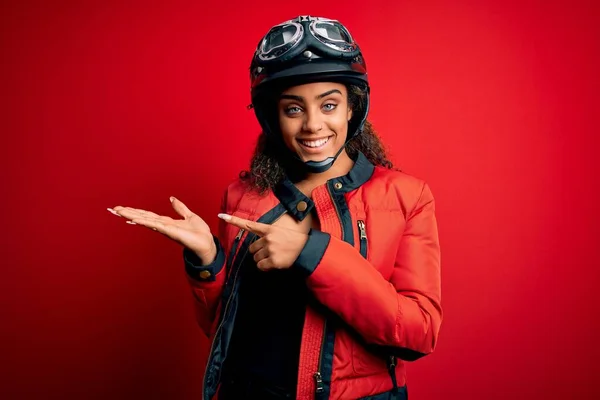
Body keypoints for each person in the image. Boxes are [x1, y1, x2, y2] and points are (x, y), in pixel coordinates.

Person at [109, 15, 441, 400]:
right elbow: (219, 327)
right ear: (273, 117)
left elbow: (419, 333)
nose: (313, 125)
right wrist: (207, 260)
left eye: (329, 104)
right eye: (294, 109)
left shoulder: (407, 196)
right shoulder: (241, 196)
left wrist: (312, 253)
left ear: (353, 108)